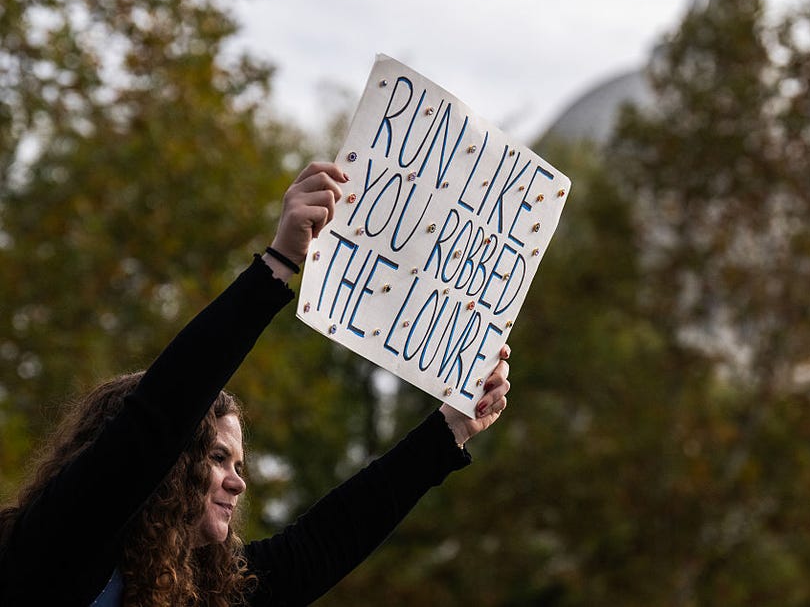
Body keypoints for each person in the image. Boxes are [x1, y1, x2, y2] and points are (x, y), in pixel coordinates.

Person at [0, 162, 512, 606]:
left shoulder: (204, 592)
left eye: (238, 464)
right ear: (168, 464)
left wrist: (451, 428)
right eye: (218, 458)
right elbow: (158, 416)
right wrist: (280, 262)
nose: (237, 481)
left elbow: (324, 543)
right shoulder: (54, 545)